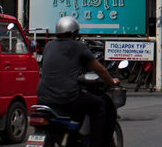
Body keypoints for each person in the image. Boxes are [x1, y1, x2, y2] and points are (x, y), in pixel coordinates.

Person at [37, 16, 119, 147]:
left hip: (43, 97)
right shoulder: (78, 47)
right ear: (75, 33)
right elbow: (100, 70)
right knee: (99, 105)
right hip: (66, 96)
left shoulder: (49, 46)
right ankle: (97, 143)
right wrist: (111, 81)